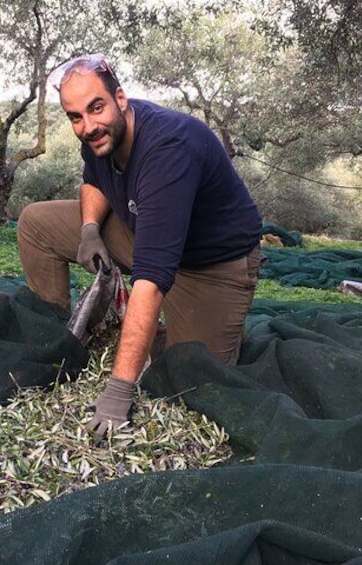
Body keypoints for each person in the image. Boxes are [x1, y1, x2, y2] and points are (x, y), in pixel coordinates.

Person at [17, 54, 262, 438]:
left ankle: (173, 330)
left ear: (120, 98)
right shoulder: (97, 133)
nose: (87, 125)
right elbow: (94, 180)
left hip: (210, 265)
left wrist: (118, 391)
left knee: (191, 378)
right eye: (75, 116)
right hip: (139, 226)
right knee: (36, 223)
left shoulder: (168, 148)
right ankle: (60, 340)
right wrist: (89, 229)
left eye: (96, 108)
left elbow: (151, 278)